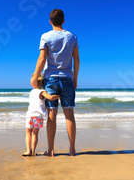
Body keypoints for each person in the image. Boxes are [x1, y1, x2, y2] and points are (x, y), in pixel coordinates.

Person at [30, 9, 80, 157]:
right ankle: (72, 150)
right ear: (63, 21)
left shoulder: (45, 36)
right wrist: (75, 78)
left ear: (50, 21)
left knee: (52, 115)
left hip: (50, 79)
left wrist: (35, 76)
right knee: (69, 115)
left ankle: (51, 150)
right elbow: (76, 59)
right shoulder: (72, 36)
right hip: (67, 78)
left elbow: (42, 58)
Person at [23, 76, 60, 157]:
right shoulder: (42, 92)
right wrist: (58, 96)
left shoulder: (32, 91)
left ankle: (28, 150)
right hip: (38, 116)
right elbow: (50, 97)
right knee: (34, 134)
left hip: (29, 115)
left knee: (28, 133)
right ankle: (33, 151)